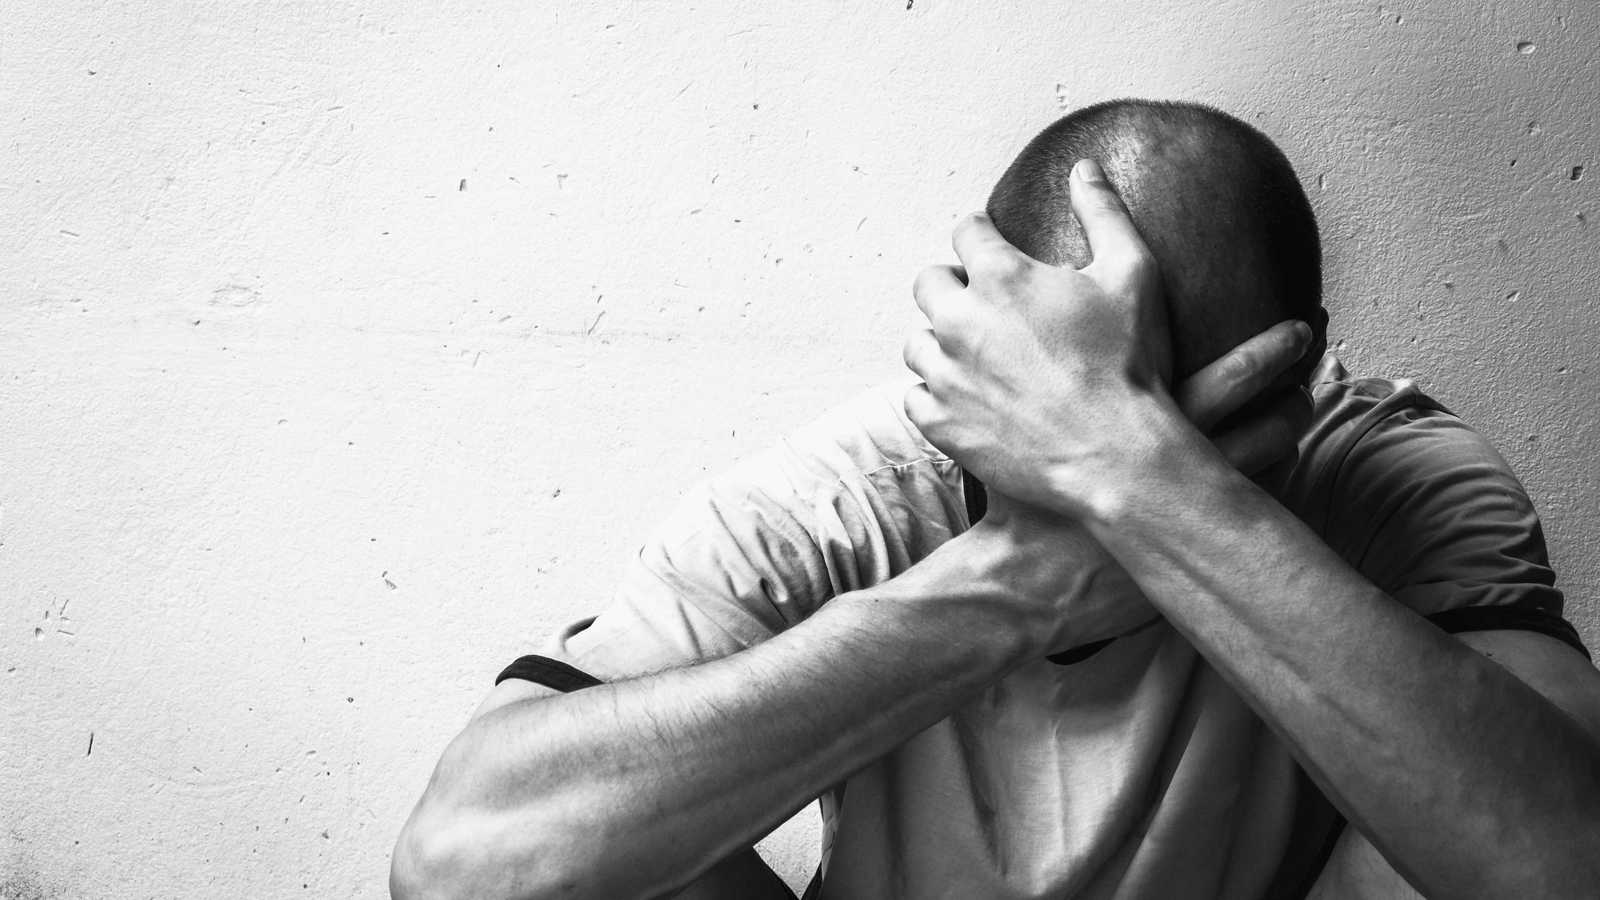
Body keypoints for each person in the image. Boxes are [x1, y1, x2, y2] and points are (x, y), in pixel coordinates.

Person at [390, 101, 1600, 900]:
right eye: (1068, 406)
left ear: (1298, 366)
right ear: (976, 354)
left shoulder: (1389, 466)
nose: (1110, 446)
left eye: (1177, 418)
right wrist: (1022, 583)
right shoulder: (843, 494)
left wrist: (1143, 487)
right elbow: (462, 863)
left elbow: (1567, 865)